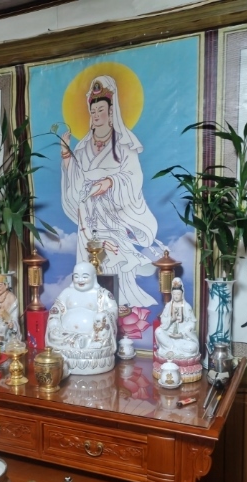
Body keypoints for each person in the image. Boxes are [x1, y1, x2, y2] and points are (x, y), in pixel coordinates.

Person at [60, 75, 166, 308]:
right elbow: (75, 180)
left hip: (114, 213)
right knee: (90, 266)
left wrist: (110, 182)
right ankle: (89, 309)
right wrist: (67, 155)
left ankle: (118, 307)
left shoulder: (125, 145)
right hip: (89, 217)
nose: (96, 115)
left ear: (111, 112)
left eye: (101, 110)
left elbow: (133, 177)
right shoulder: (82, 147)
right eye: (93, 111)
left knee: (115, 262)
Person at [46, 261, 118, 374]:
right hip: (65, 336)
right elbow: (56, 308)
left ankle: (86, 342)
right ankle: (78, 342)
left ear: (93, 277)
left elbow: (113, 310)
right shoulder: (67, 292)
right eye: (76, 276)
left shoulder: (103, 294)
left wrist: (104, 315)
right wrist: (54, 320)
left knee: (96, 343)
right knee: (55, 334)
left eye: (85, 276)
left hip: (93, 336)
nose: (80, 280)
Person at [154, 277, 200, 360]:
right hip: (169, 337)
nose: (176, 296)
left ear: (182, 294)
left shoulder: (186, 306)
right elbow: (163, 321)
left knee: (192, 347)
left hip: (183, 338)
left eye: (178, 294)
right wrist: (171, 319)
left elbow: (192, 323)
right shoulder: (168, 306)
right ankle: (172, 349)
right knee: (158, 331)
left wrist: (182, 333)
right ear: (172, 294)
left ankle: (171, 351)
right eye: (174, 294)